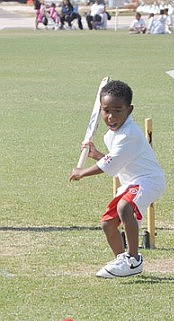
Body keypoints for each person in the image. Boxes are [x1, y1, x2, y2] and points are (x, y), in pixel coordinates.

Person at [70, 80, 166, 278]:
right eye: (106, 111)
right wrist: (96, 154)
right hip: (131, 183)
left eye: (118, 110)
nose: (111, 117)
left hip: (148, 181)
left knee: (124, 207)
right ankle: (122, 260)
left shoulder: (129, 134)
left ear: (129, 110)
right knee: (108, 224)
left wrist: (82, 172)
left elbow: (110, 166)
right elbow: (117, 160)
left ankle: (133, 259)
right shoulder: (111, 135)